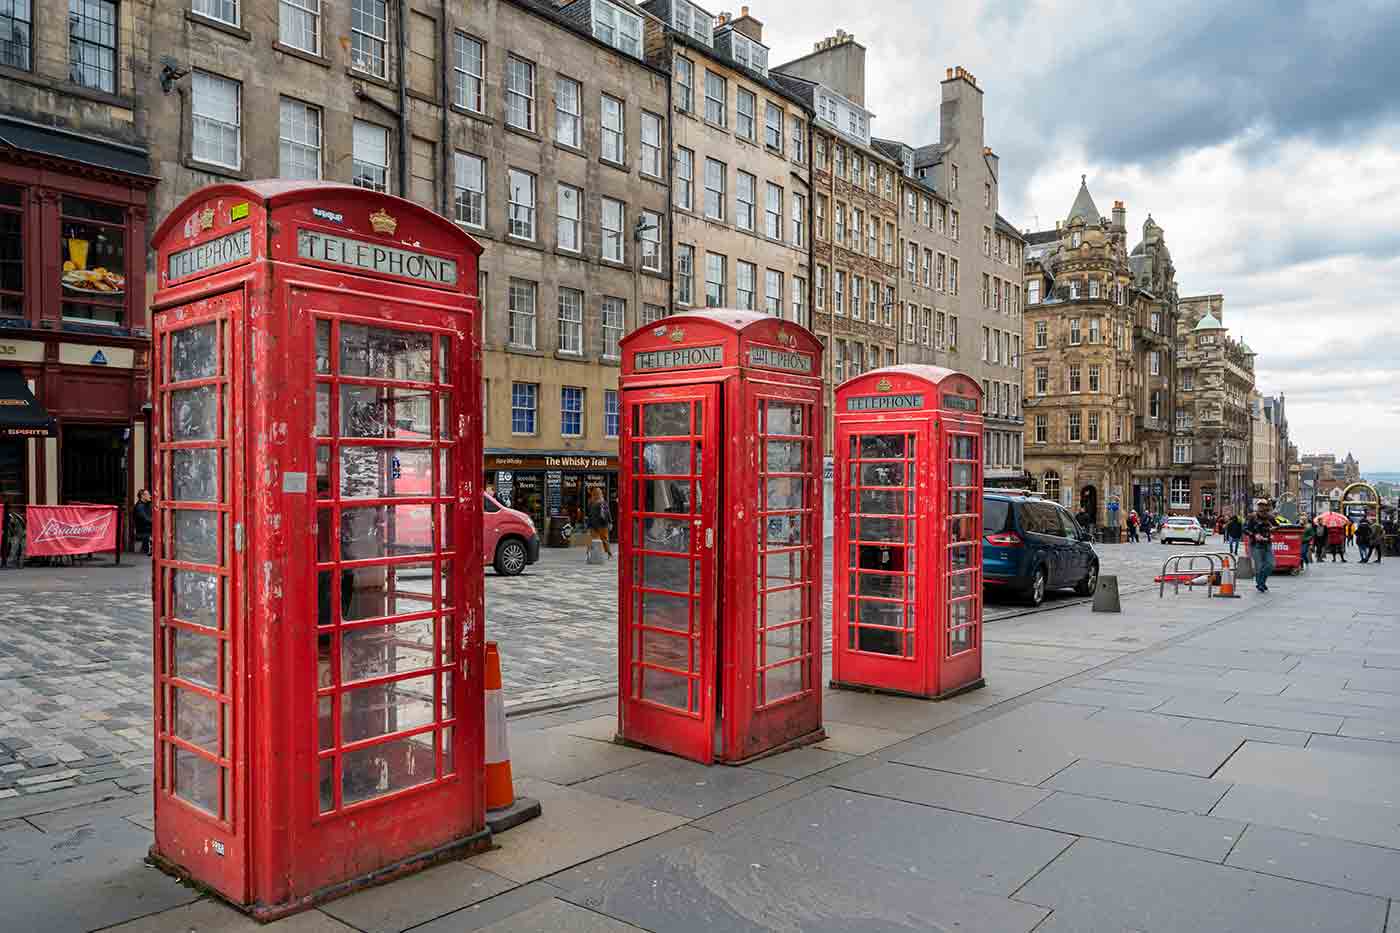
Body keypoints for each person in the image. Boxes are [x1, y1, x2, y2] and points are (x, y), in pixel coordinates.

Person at [1243, 500, 1276, 593]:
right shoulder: (1252, 517)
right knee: (1260, 566)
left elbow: (1277, 526)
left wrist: (1273, 529)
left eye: (1264, 506)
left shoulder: (1270, 517)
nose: (1262, 508)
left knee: (1271, 564)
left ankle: (1262, 582)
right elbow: (1245, 529)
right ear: (1257, 507)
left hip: (1267, 543)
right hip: (1255, 544)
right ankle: (1260, 584)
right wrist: (1254, 535)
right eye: (1260, 506)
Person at [585, 486, 613, 559]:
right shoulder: (599, 501)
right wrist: (610, 522)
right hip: (599, 524)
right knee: (600, 539)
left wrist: (610, 522)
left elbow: (590, 514)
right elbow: (607, 513)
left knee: (596, 539)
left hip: (598, 524)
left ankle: (590, 554)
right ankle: (607, 554)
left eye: (598, 492)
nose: (597, 494)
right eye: (597, 492)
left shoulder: (593, 502)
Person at [131, 490, 153, 555]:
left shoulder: (148, 504)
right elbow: (146, 519)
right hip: (144, 530)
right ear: (142, 496)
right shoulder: (139, 507)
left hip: (148, 528)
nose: (150, 496)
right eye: (148, 494)